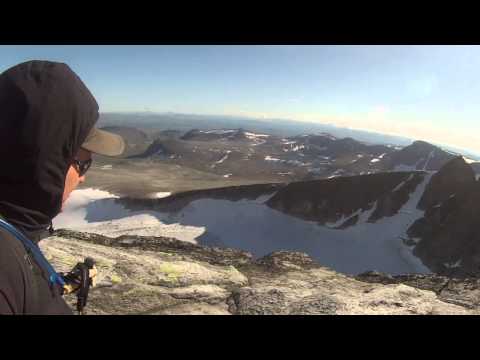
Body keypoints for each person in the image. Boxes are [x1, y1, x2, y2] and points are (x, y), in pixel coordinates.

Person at [0, 60, 125, 314]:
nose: (82, 178)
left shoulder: (15, 230)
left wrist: (63, 284)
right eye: (82, 165)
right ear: (43, 160)